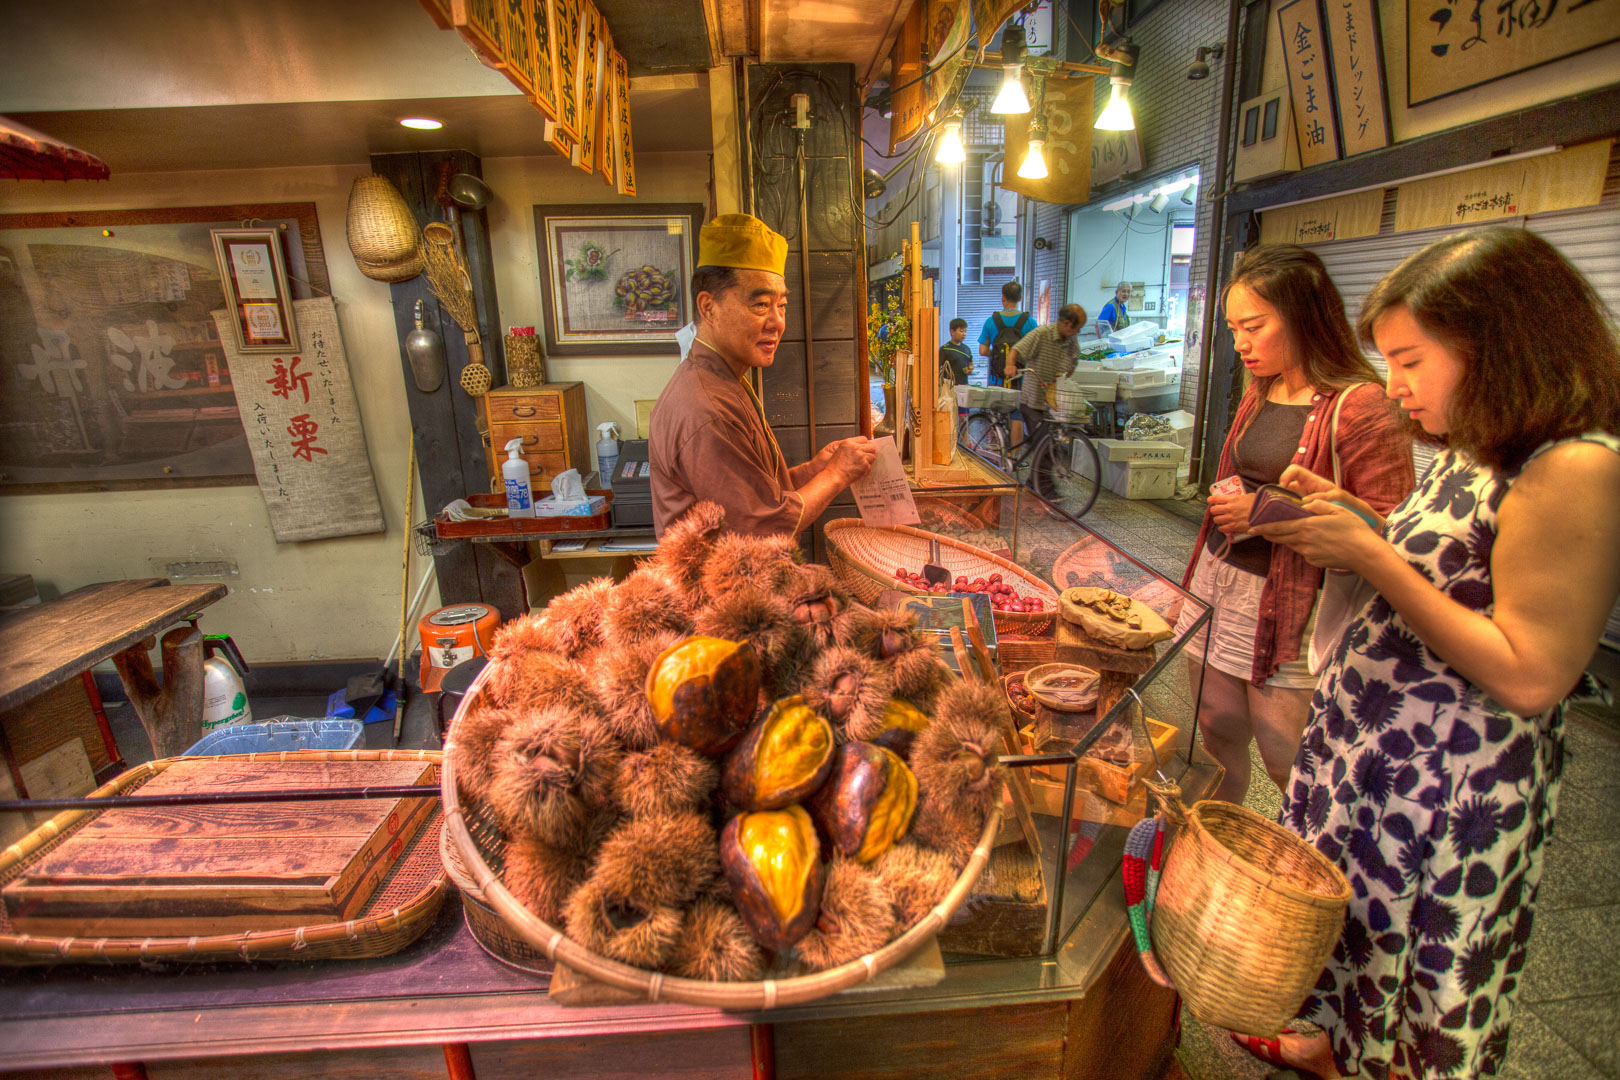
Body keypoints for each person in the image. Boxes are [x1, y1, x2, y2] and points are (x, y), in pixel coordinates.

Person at [1248, 227, 1620, 1080]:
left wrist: (1372, 555)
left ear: (1498, 346)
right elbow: (1451, 571)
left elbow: (1531, 671)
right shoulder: (1475, 447)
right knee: (1357, 934)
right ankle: (1333, 1045)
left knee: (1418, 966)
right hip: (1380, 754)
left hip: (1448, 784)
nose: (1394, 386)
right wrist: (1359, 521)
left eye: (1412, 360)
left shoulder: (1573, 470)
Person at [1176, 245, 1413, 806]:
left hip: (1289, 607)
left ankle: (1298, 875)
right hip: (1218, 583)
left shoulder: (1362, 406)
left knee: (1292, 762)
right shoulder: (1262, 388)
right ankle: (1217, 854)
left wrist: (1267, 514)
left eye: (1253, 326)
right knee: (1213, 730)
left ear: (1304, 316)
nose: (1240, 343)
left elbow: (1389, 530)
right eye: (1234, 328)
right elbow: (1241, 474)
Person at [650, 213, 877, 538]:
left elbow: (755, 496)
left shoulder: (723, 380)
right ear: (708, 307)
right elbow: (764, 527)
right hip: (721, 587)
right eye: (759, 304)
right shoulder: (707, 408)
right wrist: (837, 475)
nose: (777, 322)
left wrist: (816, 469)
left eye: (781, 305)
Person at [1007, 303, 1085, 449]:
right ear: (1067, 324)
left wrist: (1065, 374)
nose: (1077, 332)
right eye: (1077, 328)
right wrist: (1010, 365)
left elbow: (1073, 361)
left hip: (1056, 402)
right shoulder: (1041, 334)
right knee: (1043, 447)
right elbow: (1016, 349)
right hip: (1034, 400)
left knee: (1055, 443)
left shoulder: (1071, 340)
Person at [977, 281, 1035, 387]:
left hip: (996, 381)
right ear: (1020, 298)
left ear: (1003, 297)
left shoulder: (991, 321)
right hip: (1021, 381)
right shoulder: (1030, 322)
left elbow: (983, 351)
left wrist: (996, 354)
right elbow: (1035, 352)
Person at [939, 317, 972, 386]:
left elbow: (970, 364)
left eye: (965, 331)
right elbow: (937, 368)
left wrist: (970, 369)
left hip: (964, 386)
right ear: (952, 332)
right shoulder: (945, 349)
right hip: (949, 387)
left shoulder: (967, 349)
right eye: (961, 331)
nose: (964, 334)